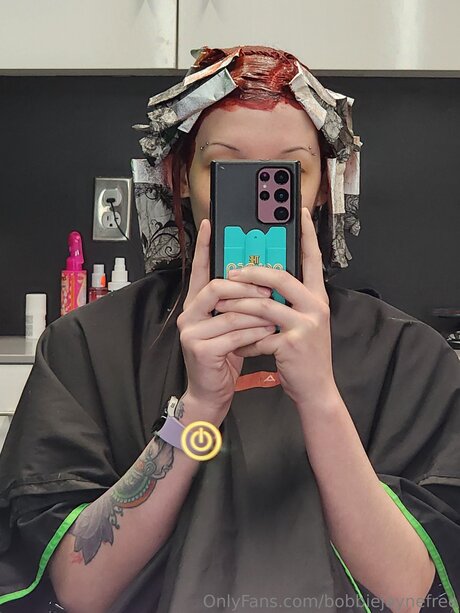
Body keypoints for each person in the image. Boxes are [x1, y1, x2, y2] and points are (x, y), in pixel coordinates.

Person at [0, 45, 459, 613]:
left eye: (288, 171)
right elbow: (80, 588)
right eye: (226, 167)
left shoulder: (407, 356)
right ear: (180, 177)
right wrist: (196, 412)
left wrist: (320, 400)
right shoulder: (89, 347)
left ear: (322, 187)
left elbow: (410, 590)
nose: (255, 191)